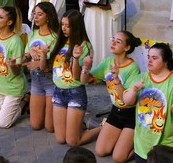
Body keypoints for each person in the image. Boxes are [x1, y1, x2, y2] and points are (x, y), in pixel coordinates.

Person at [80, 31, 142, 162]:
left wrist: (115, 79)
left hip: (131, 114)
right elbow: (85, 80)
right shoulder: (108, 62)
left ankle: (143, 147)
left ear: (127, 48)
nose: (113, 43)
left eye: (118, 42)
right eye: (113, 39)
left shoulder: (133, 68)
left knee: (119, 158)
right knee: (101, 151)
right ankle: (118, 135)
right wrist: (85, 66)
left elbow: (128, 101)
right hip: (116, 111)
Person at [45, 9, 98, 146]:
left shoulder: (84, 46)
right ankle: (77, 123)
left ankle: (101, 128)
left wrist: (75, 58)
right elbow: (48, 67)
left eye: (68, 26)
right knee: (60, 139)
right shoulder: (59, 41)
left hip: (75, 93)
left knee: (72, 142)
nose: (63, 29)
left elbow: (76, 77)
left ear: (76, 27)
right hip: (58, 91)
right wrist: (41, 55)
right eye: (62, 24)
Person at [123, 43, 173, 163]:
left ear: (165, 62)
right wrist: (134, 90)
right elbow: (127, 102)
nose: (149, 61)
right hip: (142, 144)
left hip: (165, 147)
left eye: (154, 58)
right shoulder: (141, 78)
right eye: (148, 57)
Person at [79, 0, 124, 68]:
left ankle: (105, 70)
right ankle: (90, 69)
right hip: (90, 17)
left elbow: (120, 1)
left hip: (105, 17)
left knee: (104, 42)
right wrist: (83, 2)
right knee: (91, 42)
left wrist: (110, 6)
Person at [23, 2, 59, 132]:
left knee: (50, 128)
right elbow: (27, 53)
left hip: (50, 81)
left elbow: (56, 62)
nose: (35, 17)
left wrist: (38, 63)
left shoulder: (55, 36)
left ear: (48, 17)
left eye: (40, 14)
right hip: (36, 82)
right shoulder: (33, 33)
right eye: (34, 14)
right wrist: (29, 54)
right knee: (36, 125)